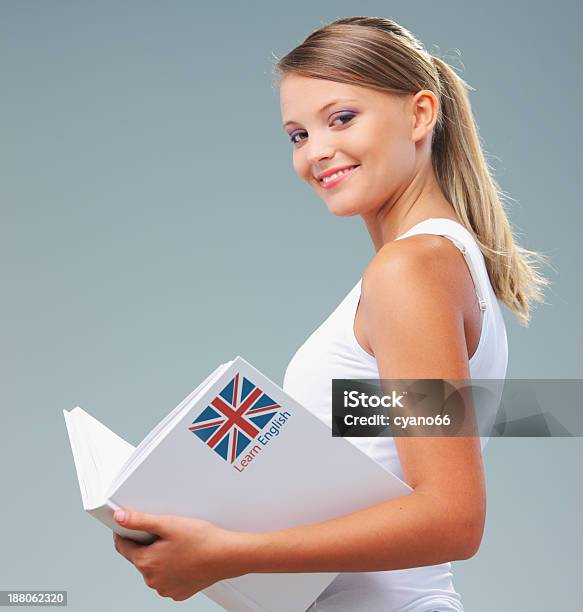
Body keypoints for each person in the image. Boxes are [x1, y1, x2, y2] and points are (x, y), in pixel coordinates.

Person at [112, 16, 550, 611]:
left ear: (421, 115)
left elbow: (452, 518)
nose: (317, 151)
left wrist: (228, 552)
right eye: (297, 134)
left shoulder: (409, 270)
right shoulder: (441, 261)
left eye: (341, 118)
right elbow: (389, 459)